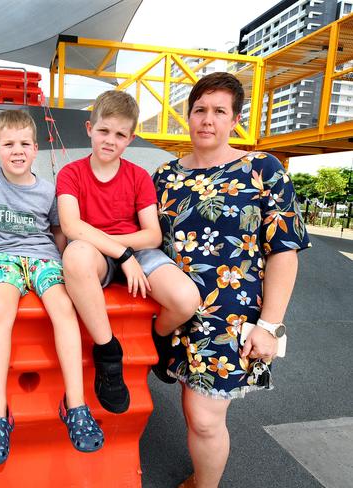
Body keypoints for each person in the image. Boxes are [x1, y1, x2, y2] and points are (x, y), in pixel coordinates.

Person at [152, 72, 311, 488]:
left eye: (219, 111)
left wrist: (270, 325)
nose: (208, 119)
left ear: (234, 119)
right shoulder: (164, 176)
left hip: (231, 320)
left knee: (205, 418)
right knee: (190, 406)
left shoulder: (263, 169)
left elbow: (284, 250)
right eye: (200, 110)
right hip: (172, 311)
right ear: (188, 116)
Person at [0, 109, 103, 468]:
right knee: (0, 310)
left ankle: (77, 405)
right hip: (1, 258)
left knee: (64, 310)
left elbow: (57, 231)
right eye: (8, 144)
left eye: (24, 143)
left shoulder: (48, 190)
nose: (16, 150)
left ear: (36, 149)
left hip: (43, 259)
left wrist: (68, 263)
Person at [56, 90, 201, 414]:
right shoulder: (71, 174)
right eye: (104, 130)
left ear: (130, 138)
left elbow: (151, 234)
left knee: (186, 299)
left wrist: (124, 250)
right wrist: (120, 254)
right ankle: (108, 353)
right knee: (76, 254)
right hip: (98, 253)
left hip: (136, 249)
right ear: (89, 128)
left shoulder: (137, 177)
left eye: (120, 134)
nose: (110, 140)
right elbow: (72, 226)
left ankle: (159, 336)